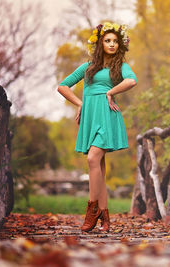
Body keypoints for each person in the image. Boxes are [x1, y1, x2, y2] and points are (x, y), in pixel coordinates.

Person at [57, 22, 137, 232]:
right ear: (100, 43)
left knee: (92, 158)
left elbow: (132, 81)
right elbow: (63, 86)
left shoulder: (120, 66)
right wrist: (80, 103)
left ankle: (92, 211)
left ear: (120, 45)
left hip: (107, 115)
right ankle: (105, 217)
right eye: (107, 40)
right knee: (98, 166)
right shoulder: (88, 67)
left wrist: (110, 93)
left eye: (115, 42)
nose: (111, 44)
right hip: (91, 116)